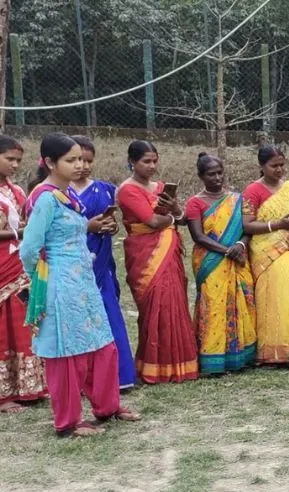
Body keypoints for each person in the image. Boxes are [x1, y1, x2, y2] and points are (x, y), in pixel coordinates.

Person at [20, 133, 138, 438]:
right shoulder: (45, 198)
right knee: (67, 353)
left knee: (101, 344)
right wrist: (42, 280)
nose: (78, 165)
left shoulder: (67, 194)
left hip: (83, 281)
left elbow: (70, 229)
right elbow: (29, 248)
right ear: (50, 163)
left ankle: (107, 406)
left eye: (82, 159)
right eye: (70, 160)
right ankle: (68, 421)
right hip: (61, 284)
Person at [117, 140, 199, 384]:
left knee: (174, 301)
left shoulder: (161, 187)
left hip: (168, 251)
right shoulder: (127, 190)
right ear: (132, 162)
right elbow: (152, 221)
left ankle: (180, 363)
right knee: (155, 305)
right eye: (146, 161)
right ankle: (153, 365)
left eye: (155, 161)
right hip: (145, 253)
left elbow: (182, 218)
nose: (152, 166)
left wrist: (174, 209)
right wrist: (172, 218)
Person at [68, 135, 136, 390]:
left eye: (88, 161)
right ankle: (82, 379)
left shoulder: (106, 189)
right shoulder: (57, 193)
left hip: (102, 264)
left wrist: (110, 227)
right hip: (72, 264)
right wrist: (88, 227)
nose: (83, 166)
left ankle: (119, 376)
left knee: (109, 313)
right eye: (77, 160)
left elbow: (113, 224)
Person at [241, 145, 289, 367]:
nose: (279, 169)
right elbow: (247, 225)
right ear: (261, 166)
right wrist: (279, 224)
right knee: (272, 299)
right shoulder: (253, 191)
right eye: (273, 166)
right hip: (267, 254)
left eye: (282, 165)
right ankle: (272, 351)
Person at [184, 153, 257, 375]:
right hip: (211, 261)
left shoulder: (237, 199)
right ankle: (212, 359)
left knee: (241, 302)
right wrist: (227, 251)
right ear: (201, 176)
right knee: (214, 305)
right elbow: (198, 236)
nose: (217, 178)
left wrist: (240, 245)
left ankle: (241, 357)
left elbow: (248, 229)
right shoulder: (194, 203)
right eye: (211, 174)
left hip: (237, 258)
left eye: (219, 173)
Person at [0, 135, 47, 412]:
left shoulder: (16, 190)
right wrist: (22, 232)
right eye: (10, 159)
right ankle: (4, 394)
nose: (15, 165)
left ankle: (29, 385)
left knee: (25, 320)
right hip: (3, 264)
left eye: (18, 160)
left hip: (20, 263)